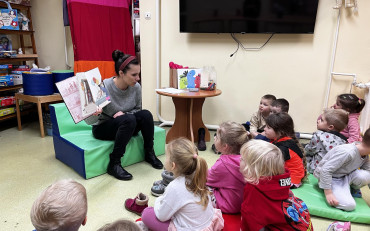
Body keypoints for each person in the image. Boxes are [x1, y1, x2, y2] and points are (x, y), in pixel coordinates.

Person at [85, 50, 163, 181]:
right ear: (121, 73)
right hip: (103, 128)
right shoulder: (103, 86)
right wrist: (95, 112)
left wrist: (123, 115)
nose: (138, 78)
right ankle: (114, 163)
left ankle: (149, 153)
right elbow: (90, 121)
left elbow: (137, 110)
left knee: (146, 115)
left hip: (127, 124)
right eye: (134, 75)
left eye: (138, 74)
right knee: (129, 119)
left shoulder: (136, 87)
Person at [140, 138, 224, 231]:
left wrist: (158, 200)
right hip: (206, 224)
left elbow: (161, 216)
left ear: (173, 165)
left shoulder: (175, 186)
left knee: (147, 213)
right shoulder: (198, 174)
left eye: (167, 157)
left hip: (191, 228)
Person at [239, 140, 313, 231]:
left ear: (252, 168)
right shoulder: (281, 178)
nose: (239, 159)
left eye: (242, 159)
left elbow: (249, 216)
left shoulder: (253, 188)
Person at [313, 127, 370, 211]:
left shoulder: (365, 155)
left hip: (344, 176)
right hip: (331, 178)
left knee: (366, 175)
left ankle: (348, 188)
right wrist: (328, 193)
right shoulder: (348, 152)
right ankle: (333, 188)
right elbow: (325, 170)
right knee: (350, 205)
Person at [207, 121, 249, 214]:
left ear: (225, 146)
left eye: (217, 137)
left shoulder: (223, 163)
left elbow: (206, 178)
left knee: (196, 186)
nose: (214, 138)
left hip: (228, 205)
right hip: (244, 203)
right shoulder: (247, 158)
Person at [264, 113, 307, 188]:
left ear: (280, 131)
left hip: (292, 180)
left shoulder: (284, 147)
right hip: (288, 176)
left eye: (268, 127)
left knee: (263, 184)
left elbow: (271, 166)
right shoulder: (279, 140)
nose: (264, 129)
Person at [305, 108, 348, 174]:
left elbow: (309, 150)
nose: (318, 121)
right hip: (333, 172)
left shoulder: (318, 136)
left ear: (330, 127)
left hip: (316, 169)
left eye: (321, 120)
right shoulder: (344, 141)